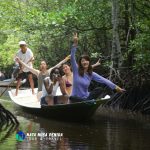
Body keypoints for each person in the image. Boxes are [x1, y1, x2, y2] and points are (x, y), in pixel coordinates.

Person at [70, 33, 125, 102]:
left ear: (89, 62)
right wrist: (75, 44)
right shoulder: (76, 70)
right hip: (76, 98)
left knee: (99, 89)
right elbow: (72, 57)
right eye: (83, 61)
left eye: (86, 60)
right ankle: (87, 102)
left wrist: (116, 87)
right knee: (72, 97)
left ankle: (87, 101)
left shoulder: (91, 74)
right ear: (80, 63)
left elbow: (104, 80)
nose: (85, 62)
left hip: (86, 98)